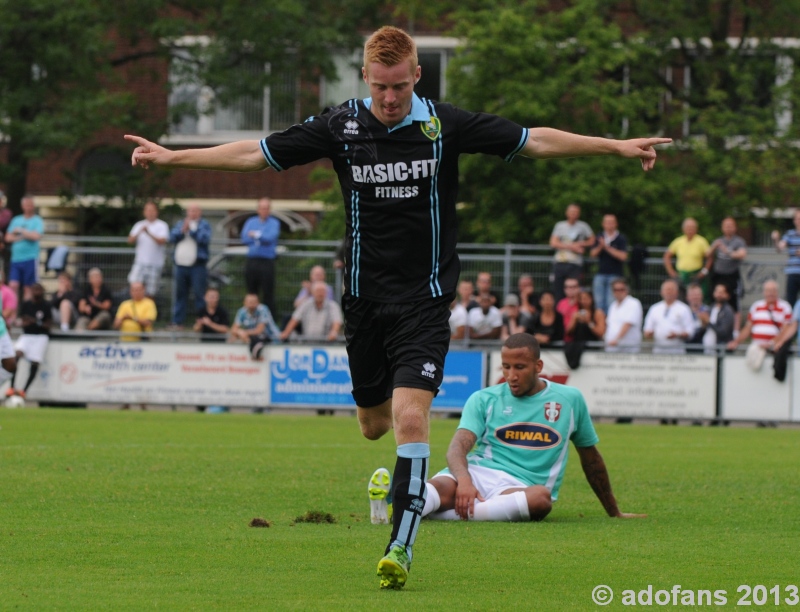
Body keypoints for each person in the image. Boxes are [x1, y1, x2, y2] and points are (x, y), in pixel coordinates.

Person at [125, 24, 669, 590]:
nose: (389, 99)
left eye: (400, 88)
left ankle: (401, 546)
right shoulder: (340, 126)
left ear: (416, 76)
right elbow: (255, 154)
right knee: (372, 425)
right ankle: (399, 484)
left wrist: (615, 146)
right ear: (366, 77)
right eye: (380, 88)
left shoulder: (444, 125)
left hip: (425, 303)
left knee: (412, 419)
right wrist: (173, 156)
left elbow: (534, 140)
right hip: (363, 303)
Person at [369, 334, 643, 526]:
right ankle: (399, 507)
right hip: (478, 472)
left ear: (538, 366)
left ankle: (417, 510)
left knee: (541, 500)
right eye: (506, 367)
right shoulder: (484, 398)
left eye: (520, 368)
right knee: (440, 487)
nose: (511, 375)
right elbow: (457, 448)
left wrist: (614, 511)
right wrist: (465, 481)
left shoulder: (570, 400)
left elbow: (590, 457)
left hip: (521, 486)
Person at [169, 203, 212, 329]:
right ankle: (178, 322)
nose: (192, 213)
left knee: (199, 295)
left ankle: (201, 321)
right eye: (190, 211)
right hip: (181, 264)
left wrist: (192, 231)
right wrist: (183, 230)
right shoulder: (180, 223)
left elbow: (204, 239)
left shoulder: (204, 224)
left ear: (200, 212)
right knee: (180, 294)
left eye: (195, 211)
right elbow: (172, 237)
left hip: (197, 265)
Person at [6, 283, 51, 399]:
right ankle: (12, 387)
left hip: (40, 337)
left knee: (35, 362)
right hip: (27, 335)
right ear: (31, 291)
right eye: (35, 290)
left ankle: (24, 390)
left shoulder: (46, 305)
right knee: (16, 355)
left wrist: (35, 322)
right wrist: (25, 322)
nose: (37, 292)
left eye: (39, 290)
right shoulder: (26, 304)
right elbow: (21, 321)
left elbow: (49, 324)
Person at [241, 197, 280, 316]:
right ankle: (250, 319)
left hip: (267, 261)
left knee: (268, 292)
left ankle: (269, 320)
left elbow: (271, 238)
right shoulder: (251, 222)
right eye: (262, 208)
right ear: (258, 209)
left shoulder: (274, 223)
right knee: (251, 292)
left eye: (267, 208)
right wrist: (260, 237)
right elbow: (244, 238)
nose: (264, 210)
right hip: (252, 260)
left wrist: (257, 235)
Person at [727, 280, 792, 351]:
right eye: (768, 290)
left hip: (775, 347)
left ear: (777, 292)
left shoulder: (785, 307)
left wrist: (772, 342)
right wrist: (736, 341)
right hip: (757, 346)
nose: (771, 293)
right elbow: (748, 327)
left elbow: (787, 329)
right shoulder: (756, 306)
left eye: (773, 290)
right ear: (764, 292)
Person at [707, 217, 746, 331]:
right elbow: (707, 254)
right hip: (718, 275)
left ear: (735, 227)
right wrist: (714, 247)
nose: (728, 228)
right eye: (726, 226)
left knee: (734, 304)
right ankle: (714, 326)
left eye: (730, 225)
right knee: (715, 301)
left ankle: (735, 331)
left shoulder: (739, 241)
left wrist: (727, 251)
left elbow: (741, 254)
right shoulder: (718, 240)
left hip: (731, 275)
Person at [549, 204, 594, 302]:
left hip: (575, 264)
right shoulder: (560, 225)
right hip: (560, 263)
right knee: (559, 292)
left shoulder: (583, 226)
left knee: (575, 292)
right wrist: (572, 247)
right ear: (567, 213)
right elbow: (553, 243)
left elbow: (592, 240)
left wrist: (582, 243)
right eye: (571, 212)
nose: (573, 214)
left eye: (576, 212)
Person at [5, 195, 44, 302]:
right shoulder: (16, 220)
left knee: (28, 288)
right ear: (23, 206)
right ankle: (12, 314)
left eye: (31, 205)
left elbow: (36, 236)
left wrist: (21, 231)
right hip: (16, 259)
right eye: (27, 205)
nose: (29, 207)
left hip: (30, 258)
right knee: (13, 285)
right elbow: (8, 238)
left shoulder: (37, 220)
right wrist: (26, 236)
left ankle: (24, 314)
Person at [127, 201, 169, 297]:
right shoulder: (139, 225)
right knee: (134, 285)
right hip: (140, 262)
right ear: (144, 212)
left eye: (152, 210)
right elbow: (130, 240)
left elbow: (162, 241)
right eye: (148, 210)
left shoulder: (162, 225)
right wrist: (139, 233)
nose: (150, 212)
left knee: (151, 292)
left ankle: (148, 311)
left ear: (156, 211)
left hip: (155, 264)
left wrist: (148, 233)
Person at [662, 218, 711, 299]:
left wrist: (704, 271)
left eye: (692, 228)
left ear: (696, 229)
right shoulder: (678, 241)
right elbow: (667, 256)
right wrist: (671, 271)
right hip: (681, 275)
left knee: (696, 298)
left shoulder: (701, 241)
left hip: (696, 275)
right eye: (688, 228)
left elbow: (710, 257)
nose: (690, 230)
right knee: (680, 298)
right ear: (683, 229)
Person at [643, 279, 695, 354]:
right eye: (666, 289)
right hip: (658, 352)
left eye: (671, 289)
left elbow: (690, 331)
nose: (668, 292)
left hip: (677, 353)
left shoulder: (684, 309)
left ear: (677, 292)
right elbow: (647, 329)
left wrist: (678, 335)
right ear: (661, 292)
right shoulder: (654, 308)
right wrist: (649, 334)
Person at [589, 214, 628, 314]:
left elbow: (623, 256)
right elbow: (592, 254)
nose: (609, 225)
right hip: (601, 273)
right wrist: (600, 247)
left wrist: (606, 247)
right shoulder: (599, 237)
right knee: (599, 303)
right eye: (607, 222)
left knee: (611, 303)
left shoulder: (621, 238)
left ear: (616, 224)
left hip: (615, 275)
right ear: (603, 224)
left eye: (611, 222)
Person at [229, 293, 281, 360]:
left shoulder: (263, 310)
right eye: (250, 302)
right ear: (244, 303)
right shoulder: (242, 312)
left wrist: (244, 333)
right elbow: (233, 329)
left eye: (254, 302)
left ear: (258, 302)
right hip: (255, 338)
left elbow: (259, 330)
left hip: (272, 339)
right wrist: (240, 333)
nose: (252, 304)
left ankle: (255, 355)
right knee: (232, 338)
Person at [604, 278, 643, 352]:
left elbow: (627, 324)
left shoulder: (633, 303)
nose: (619, 292)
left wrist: (616, 340)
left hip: (628, 350)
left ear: (627, 290)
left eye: (621, 289)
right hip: (612, 349)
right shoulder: (613, 305)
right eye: (616, 290)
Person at [770, 209, 800, 306]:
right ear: (794, 220)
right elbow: (780, 248)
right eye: (797, 219)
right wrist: (776, 239)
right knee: (791, 300)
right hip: (792, 272)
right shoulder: (789, 234)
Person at [699, 283, 736, 353]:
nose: (719, 294)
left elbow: (723, 332)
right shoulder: (710, 308)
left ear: (727, 295)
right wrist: (703, 323)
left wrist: (708, 322)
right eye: (717, 292)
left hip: (720, 349)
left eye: (722, 292)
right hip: (707, 348)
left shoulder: (728, 311)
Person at [685, 283, 710, 350]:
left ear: (702, 296)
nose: (695, 297)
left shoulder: (709, 311)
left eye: (697, 295)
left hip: (703, 347)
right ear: (687, 297)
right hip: (686, 346)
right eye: (692, 295)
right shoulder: (683, 311)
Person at [556, 278, 581, 342]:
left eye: (574, 287)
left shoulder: (583, 303)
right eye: (568, 287)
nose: (571, 289)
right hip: (562, 339)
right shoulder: (561, 303)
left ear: (579, 288)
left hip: (577, 340)